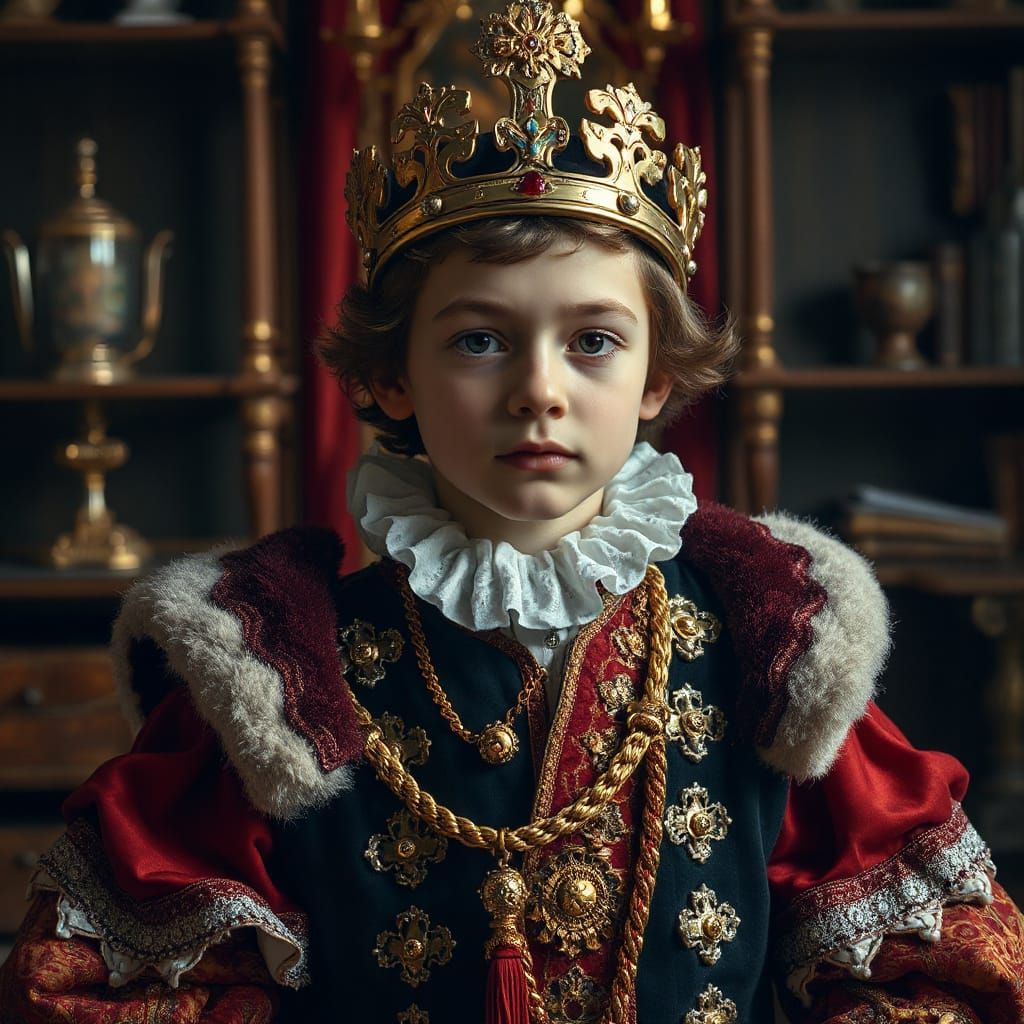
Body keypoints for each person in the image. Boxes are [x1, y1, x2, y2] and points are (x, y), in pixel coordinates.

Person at [2, 4, 1023, 1023]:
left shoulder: (775, 652)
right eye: (479, 342)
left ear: (658, 376)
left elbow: (933, 975)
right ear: (392, 376)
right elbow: (103, 989)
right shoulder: (279, 669)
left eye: (592, 341)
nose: (540, 389)